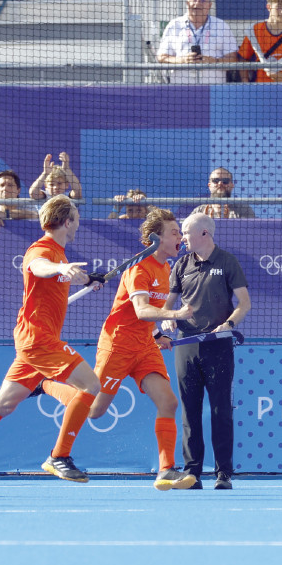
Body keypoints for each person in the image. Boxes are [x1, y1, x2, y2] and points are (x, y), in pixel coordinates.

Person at [0, 195, 101, 481]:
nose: (79, 224)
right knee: (91, 385)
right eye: (77, 218)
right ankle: (59, 456)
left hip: (30, 343)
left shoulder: (60, 254)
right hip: (39, 340)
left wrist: (87, 279)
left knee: (2, 406)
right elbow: (38, 267)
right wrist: (60, 269)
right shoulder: (42, 250)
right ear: (67, 221)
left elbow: (64, 277)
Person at [77, 208, 194, 490]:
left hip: (144, 346)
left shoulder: (167, 269)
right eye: (174, 232)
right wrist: (177, 315)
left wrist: (156, 335)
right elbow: (141, 310)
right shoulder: (137, 270)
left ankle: (166, 470)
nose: (180, 237)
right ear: (156, 238)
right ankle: (47, 386)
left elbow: (146, 318)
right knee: (93, 412)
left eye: (180, 232)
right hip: (117, 345)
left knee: (168, 402)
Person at [161, 213, 251, 490]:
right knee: (189, 411)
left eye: (186, 232)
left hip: (218, 345)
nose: (182, 238)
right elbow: (168, 306)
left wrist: (229, 323)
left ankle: (223, 473)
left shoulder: (227, 261)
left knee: (220, 409)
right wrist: (168, 320)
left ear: (204, 234)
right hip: (186, 346)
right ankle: (192, 472)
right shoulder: (181, 265)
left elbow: (244, 303)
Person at [156, 0, 239, 85]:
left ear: (209, 5)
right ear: (187, 3)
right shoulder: (174, 25)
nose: (198, 3)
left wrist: (213, 61)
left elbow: (234, 59)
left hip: (214, 91)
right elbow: (161, 57)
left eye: (203, 0)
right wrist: (181, 60)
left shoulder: (221, 26)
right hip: (181, 91)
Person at [191, 167, 256, 219]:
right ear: (209, 185)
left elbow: (251, 233)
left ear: (232, 185)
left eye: (225, 181)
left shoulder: (244, 210)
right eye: (215, 180)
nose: (220, 183)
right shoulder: (199, 211)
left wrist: (226, 224)